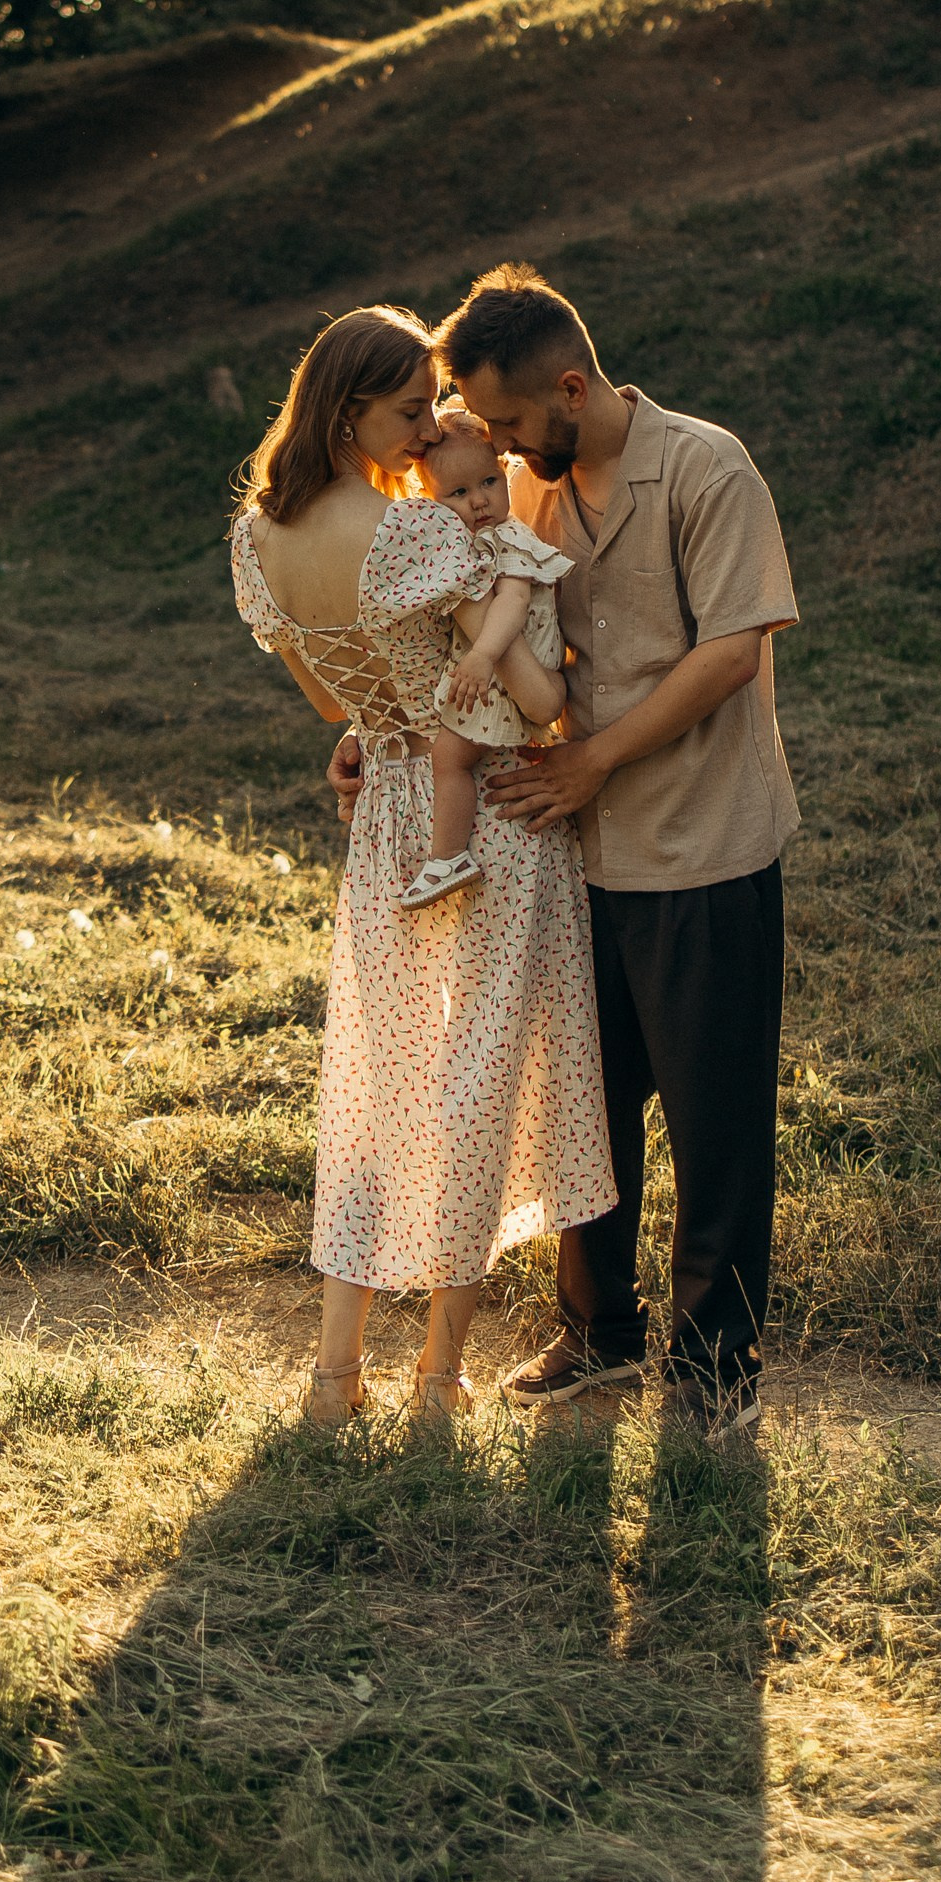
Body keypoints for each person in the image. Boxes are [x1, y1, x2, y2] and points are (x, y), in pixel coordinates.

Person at [337, 260, 800, 1436]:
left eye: (500, 421)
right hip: (567, 852)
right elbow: (471, 635)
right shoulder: (525, 488)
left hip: (699, 847)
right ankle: (596, 1334)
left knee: (714, 1122)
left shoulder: (705, 467)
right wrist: (372, 732)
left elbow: (730, 653)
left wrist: (594, 760)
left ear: (571, 384)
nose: (486, 446)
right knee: (581, 1105)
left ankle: (711, 1372)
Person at [232, 305, 615, 1428]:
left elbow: (331, 706)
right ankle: (436, 1385)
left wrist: (363, 739)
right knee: (472, 1088)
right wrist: (554, 697)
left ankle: (332, 1376)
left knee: (374, 1084)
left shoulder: (256, 539)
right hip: (484, 822)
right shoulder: (420, 537)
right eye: (406, 410)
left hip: (386, 823)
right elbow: (522, 699)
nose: (421, 433)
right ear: (349, 405)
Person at [402, 409, 574, 911]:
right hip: (505, 664)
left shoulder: (508, 538)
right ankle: (449, 854)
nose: (478, 500)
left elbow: (513, 603)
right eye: (457, 494)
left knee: (450, 756)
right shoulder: (472, 542)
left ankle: (448, 856)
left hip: (511, 663)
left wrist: (480, 656)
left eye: (488, 482)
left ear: (504, 472)